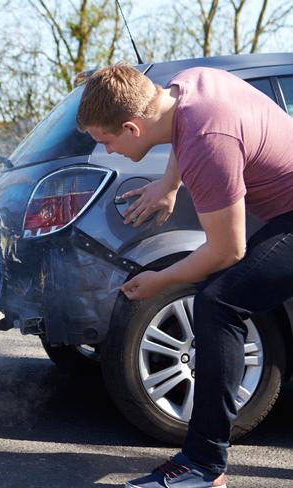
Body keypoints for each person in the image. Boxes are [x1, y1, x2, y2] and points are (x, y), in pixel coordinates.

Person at [77, 63, 293, 488]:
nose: (107, 152)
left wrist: (161, 281)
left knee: (219, 303)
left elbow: (228, 250)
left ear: (132, 127)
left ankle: (202, 465)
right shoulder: (188, 85)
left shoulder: (207, 141)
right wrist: (169, 183)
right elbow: (184, 131)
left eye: (107, 141)